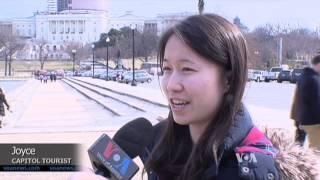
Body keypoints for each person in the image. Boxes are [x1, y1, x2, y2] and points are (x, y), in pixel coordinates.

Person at [70, 14, 319, 180]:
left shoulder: (251, 170)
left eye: (187, 69)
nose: (171, 85)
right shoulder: (158, 138)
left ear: (229, 79)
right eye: (166, 69)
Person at [296, 55, 320, 151]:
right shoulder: (312, 79)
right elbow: (315, 101)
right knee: (316, 149)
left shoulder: (307, 76)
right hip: (312, 121)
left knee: (314, 147)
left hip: (307, 119)